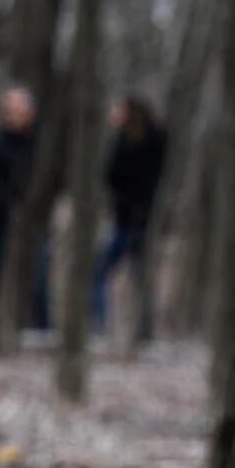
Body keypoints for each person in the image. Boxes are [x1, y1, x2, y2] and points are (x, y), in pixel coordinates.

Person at [0, 86, 49, 330]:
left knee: (38, 278)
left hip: (32, 223)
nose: (13, 116)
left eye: (19, 110)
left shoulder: (41, 145)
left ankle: (40, 327)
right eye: (9, 111)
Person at [92, 94, 166, 339]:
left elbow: (112, 176)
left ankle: (104, 328)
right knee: (137, 276)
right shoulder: (143, 140)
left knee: (102, 271)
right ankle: (136, 330)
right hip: (133, 219)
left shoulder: (136, 143)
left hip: (132, 220)